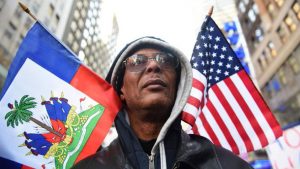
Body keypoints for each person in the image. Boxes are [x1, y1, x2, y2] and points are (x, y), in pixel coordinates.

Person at [72, 37, 253, 169]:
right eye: (137, 62)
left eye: (165, 60)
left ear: (178, 87)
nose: (153, 66)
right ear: (121, 91)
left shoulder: (222, 163)